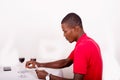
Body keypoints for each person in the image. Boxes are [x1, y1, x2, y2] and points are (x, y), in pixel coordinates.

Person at [26, 12, 103, 80]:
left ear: (76, 29)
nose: (64, 35)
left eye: (65, 31)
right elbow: (66, 62)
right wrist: (39, 64)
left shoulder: (82, 47)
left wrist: (48, 76)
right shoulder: (88, 42)